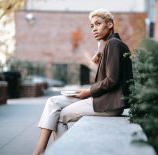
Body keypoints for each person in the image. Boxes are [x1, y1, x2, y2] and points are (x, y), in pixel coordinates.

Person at [33, 9, 133, 155]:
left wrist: (89, 91)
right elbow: (110, 76)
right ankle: (41, 150)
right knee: (53, 102)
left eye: (98, 24)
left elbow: (112, 80)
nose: (94, 29)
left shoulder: (113, 44)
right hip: (106, 99)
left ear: (110, 24)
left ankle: (48, 151)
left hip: (109, 103)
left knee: (60, 116)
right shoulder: (111, 44)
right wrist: (100, 60)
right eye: (92, 26)